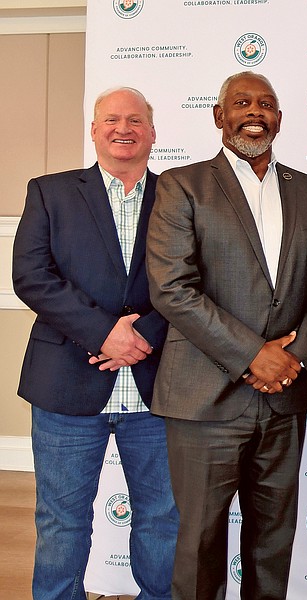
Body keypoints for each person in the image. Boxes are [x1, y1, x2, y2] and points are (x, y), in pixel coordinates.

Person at [146, 71, 307, 600]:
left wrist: (294, 357)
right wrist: (255, 355)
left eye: (266, 104)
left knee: (272, 545)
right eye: (241, 102)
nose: (254, 112)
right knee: (200, 546)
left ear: (279, 119)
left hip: (284, 398)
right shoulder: (182, 185)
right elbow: (172, 288)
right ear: (220, 116)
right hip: (204, 399)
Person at [12, 87, 178, 600]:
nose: (122, 128)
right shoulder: (50, 192)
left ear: (152, 132)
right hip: (65, 386)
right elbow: (31, 277)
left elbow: (198, 281)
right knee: (61, 521)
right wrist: (104, 333)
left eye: (135, 120)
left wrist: (142, 335)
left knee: (163, 519)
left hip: (158, 390)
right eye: (111, 119)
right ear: (93, 130)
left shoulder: (181, 196)